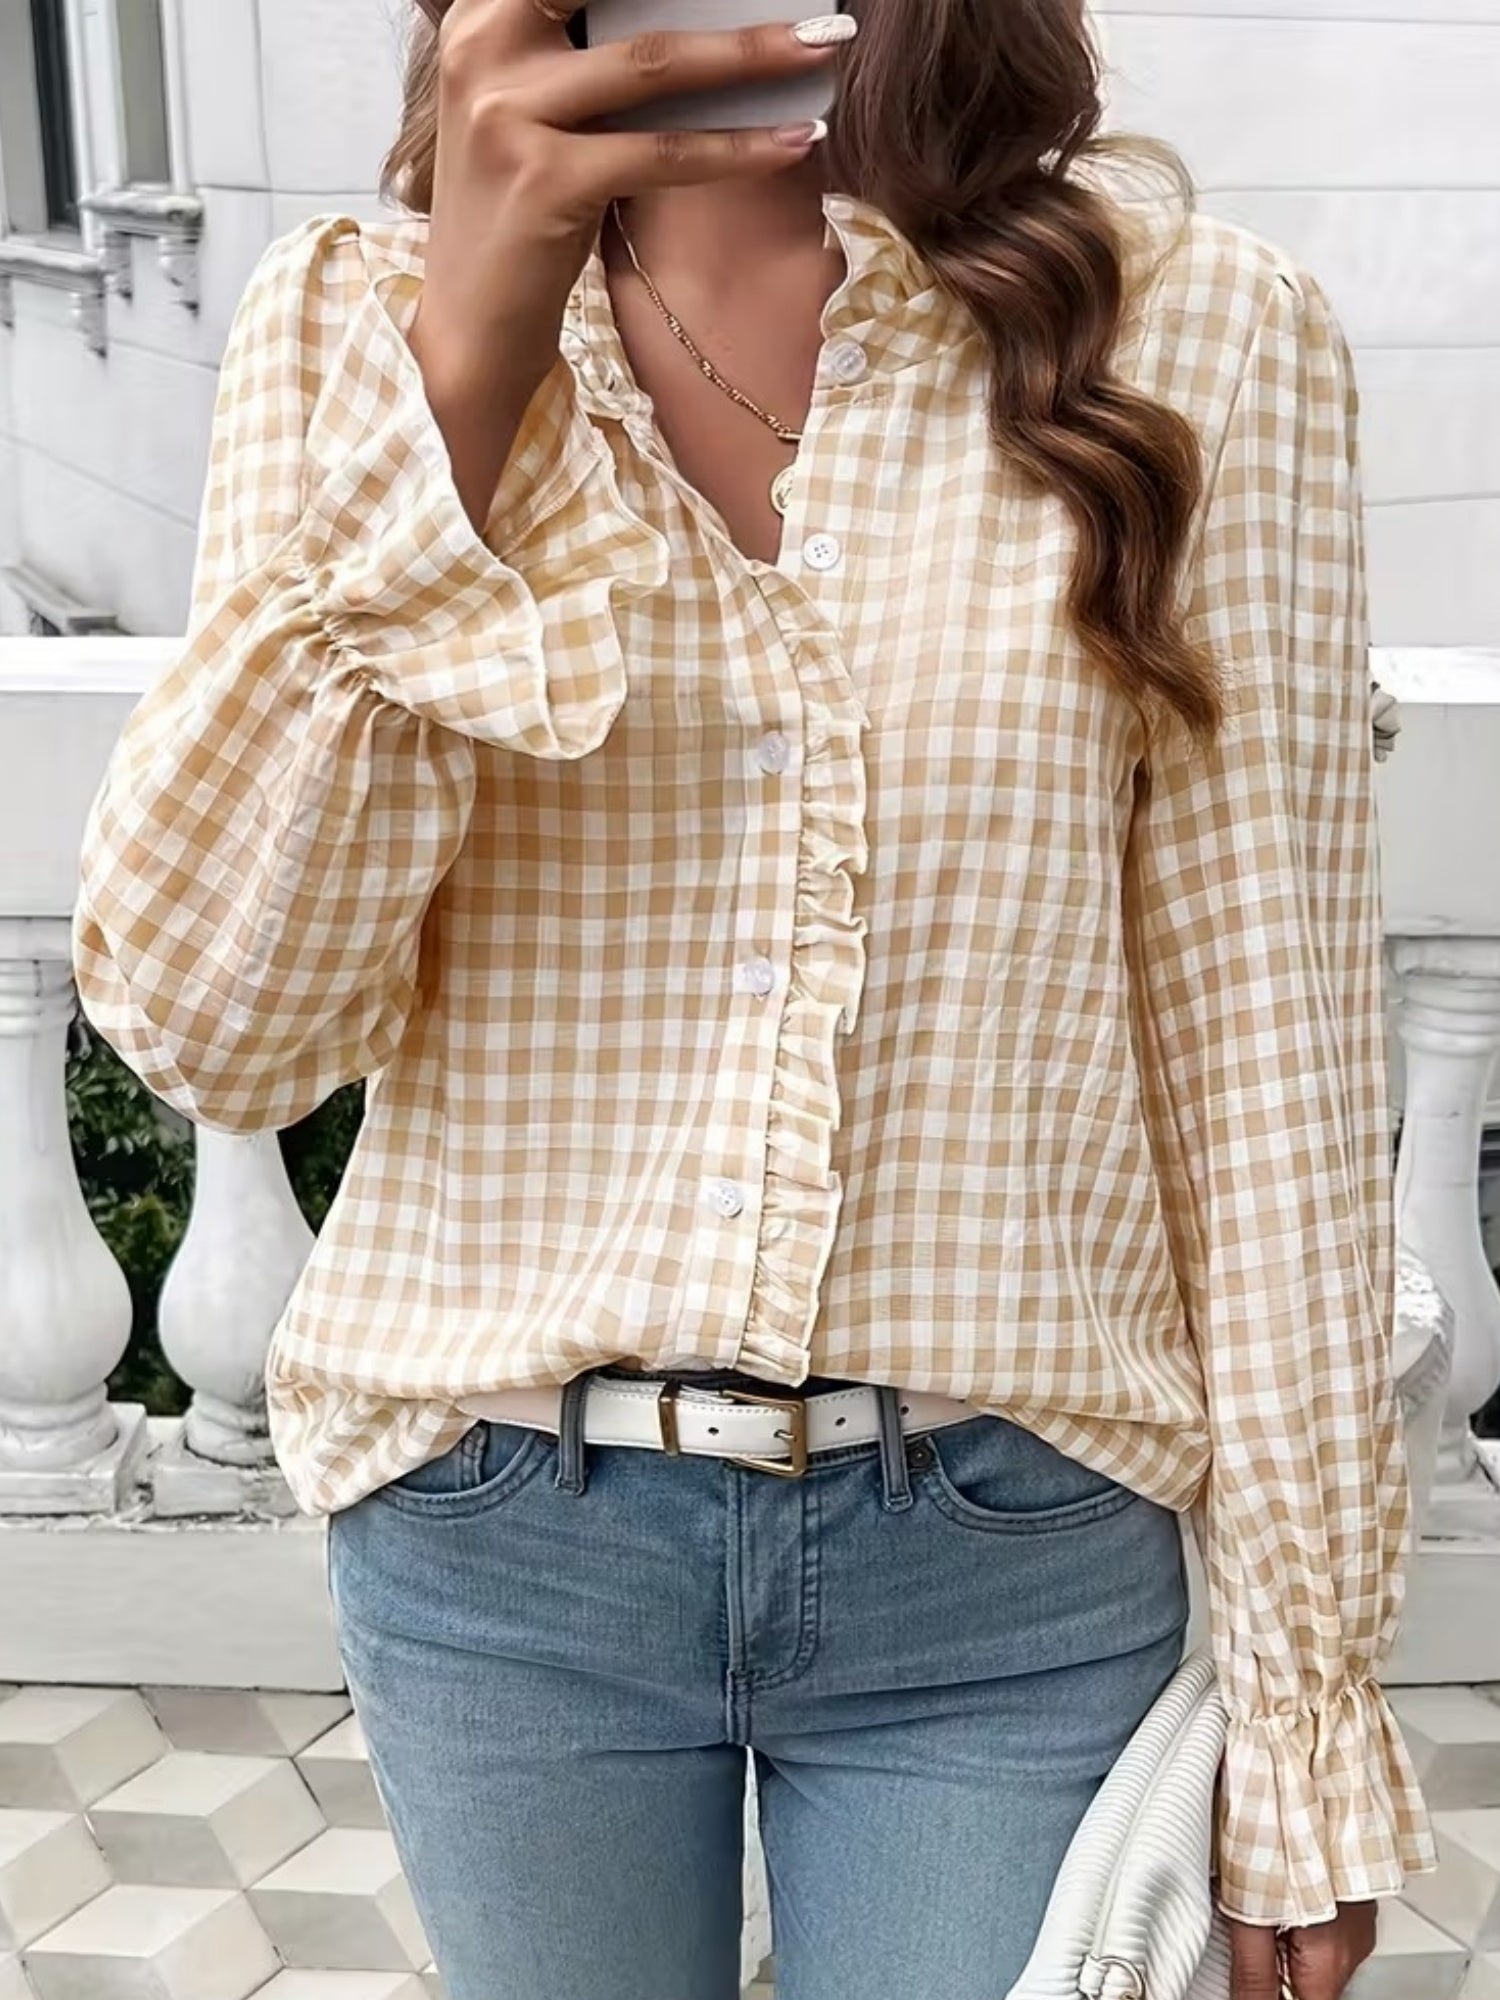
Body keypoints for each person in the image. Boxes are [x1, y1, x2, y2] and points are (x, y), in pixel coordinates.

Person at [71, 0, 1438, 1995]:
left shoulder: (1200, 335)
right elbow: (222, 1029)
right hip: (497, 1543)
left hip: (1007, 1555)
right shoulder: (352, 319)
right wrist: (465, 382)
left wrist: (1306, 1723)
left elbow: (1271, 1071)